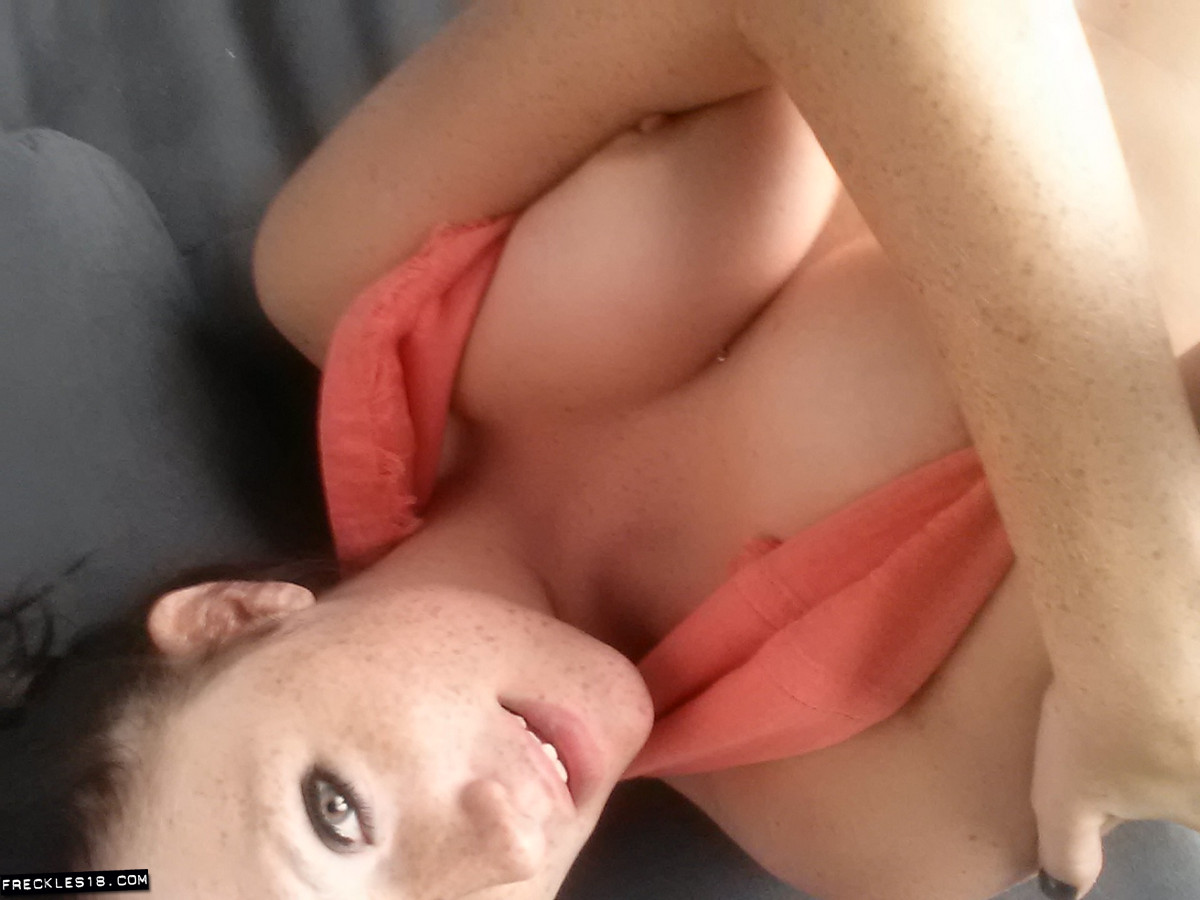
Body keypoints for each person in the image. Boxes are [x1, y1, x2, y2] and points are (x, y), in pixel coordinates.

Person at [5, 0, 1200, 897]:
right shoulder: (873, 811)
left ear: (235, 618)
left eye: (337, 814)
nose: (505, 843)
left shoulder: (343, 266)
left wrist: (1130, 601)